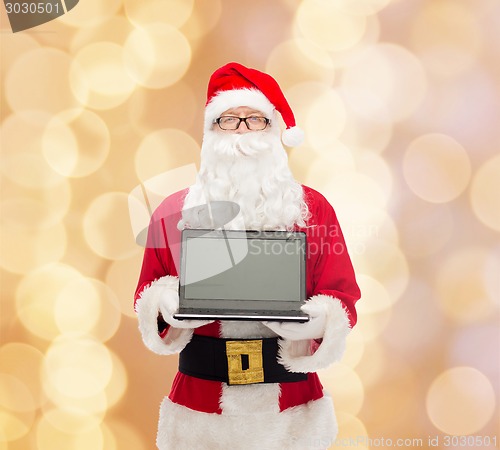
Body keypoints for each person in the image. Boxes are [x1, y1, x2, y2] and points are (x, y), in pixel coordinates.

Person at [134, 62, 361, 450]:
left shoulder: (313, 210)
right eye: (228, 119)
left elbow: (342, 297)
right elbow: (147, 294)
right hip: (199, 412)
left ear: (274, 130)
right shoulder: (173, 213)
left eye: (254, 119)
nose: (241, 130)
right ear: (210, 132)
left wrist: (312, 323)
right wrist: (169, 305)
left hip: (290, 412)